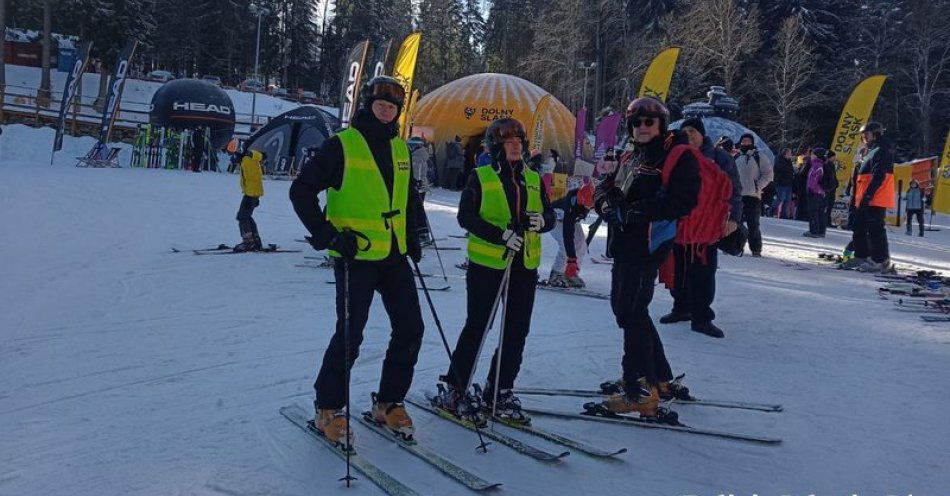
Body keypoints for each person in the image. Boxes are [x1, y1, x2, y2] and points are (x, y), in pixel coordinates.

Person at [288, 76, 425, 445]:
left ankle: (389, 402)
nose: (386, 110)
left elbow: (409, 198)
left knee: (411, 327)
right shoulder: (342, 145)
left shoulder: (400, 149)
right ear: (368, 105)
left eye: (392, 106)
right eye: (380, 104)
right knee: (351, 334)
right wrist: (329, 235)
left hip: (393, 254)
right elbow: (301, 191)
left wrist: (413, 236)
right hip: (356, 255)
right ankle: (328, 408)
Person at [432, 118, 556, 426]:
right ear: (496, 146)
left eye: (519, 140)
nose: (515, 144)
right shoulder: (482, 176)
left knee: (516, 330)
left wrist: (543, 222)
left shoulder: (532, 177)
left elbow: (549, 213)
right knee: (478, 326)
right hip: (488, 265)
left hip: (524, 265)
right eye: (507, 140)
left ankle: (499, 388)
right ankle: (456, 388)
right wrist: (499, 234)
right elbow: (466, 217)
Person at [592, 97, 701, 416]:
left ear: (661, 125)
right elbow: (609, 190)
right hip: (626, 244)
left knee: (630, 311)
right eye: (637, 122)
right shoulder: (633, 155)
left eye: (649, 122)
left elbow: (684, 201)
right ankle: (660, 378)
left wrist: (637, 212)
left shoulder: (678, 155)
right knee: (628, 309)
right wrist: (606, 203)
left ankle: (640, 388)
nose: (642, 127)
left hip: (649, 244)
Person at [659, 117, 740, 338]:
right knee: (677, 269)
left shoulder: (719, 157)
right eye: (685, 130)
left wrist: (734, 218)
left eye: (693, 130)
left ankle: (702, 316)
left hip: (707, 227)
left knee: (703, 272)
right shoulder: (675, 155)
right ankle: (681, 307)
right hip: (680, 225)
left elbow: (734, 189)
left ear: (702, 134)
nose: (689, 134)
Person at [838, 122, 895, 272]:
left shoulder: (882, 150)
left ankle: (881, 261)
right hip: (863, 198)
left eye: (866, 134)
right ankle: (861, 255)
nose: (863, 137)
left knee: (875, 229)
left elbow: (879, 176)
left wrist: (868, 195)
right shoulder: (870, 150)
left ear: (875, 134)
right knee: (859, 227)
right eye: (862, 135)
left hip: (875, 198)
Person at [548, 180, 594, 288]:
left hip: (571, 220)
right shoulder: (570, 205)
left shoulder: (591, 195)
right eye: (586, 206)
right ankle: (556, 274)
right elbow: (567, 235)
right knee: (565, 245)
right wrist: (571, 260)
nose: (588, 209)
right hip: (555, 219)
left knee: (581, 243)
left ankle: (571, 274)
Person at [734, 133, 773, 256]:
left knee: (753, 224)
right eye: (743, 141)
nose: (745, 143)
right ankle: (735, 246)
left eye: (748, 141)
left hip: (753, 196)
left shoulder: (759, 157)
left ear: (752, 143)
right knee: (736, 223)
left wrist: (758, 186)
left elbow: (768, 174)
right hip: (737, 196)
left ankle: (756, 249)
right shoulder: (736, 156)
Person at [234, 150, 265, 251]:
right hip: (252, 193)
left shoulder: (247, 161)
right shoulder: (250, 160)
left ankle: (248, 242)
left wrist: (252, 195)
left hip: (250, 193)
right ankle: (255, 240)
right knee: (246, 216)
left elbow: (252, 178)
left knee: (242, 217)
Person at [804, 147, 827, 238]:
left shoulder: (816, 165)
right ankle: (821, 231)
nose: (811, 156)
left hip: (815, 192)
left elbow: (813, 180)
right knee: (821, 212)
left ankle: (814, 231)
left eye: (813, 154)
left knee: (814, 211)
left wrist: (811, 189)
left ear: (817, 155)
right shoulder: (822, 164)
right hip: (821, 193)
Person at [773, 148, 795, 219]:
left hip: (788, 183)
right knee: (780, 199)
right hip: (781, 183)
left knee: (787, 200)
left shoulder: (789, 161)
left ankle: (784, 214)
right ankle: (773, 212)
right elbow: (781, 170)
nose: (790, 155)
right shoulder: (779, 160)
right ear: (785, 154)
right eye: (789, 154)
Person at [823, 150, 840, 227]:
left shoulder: (832, 165)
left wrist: (836, 183)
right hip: (828, 189)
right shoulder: (826, 164)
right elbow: (828, 177)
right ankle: (825, 221)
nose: (835, 158)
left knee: (830, 205)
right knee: (826, 205)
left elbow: (833, 176)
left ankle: (828, 221)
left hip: (832, 188)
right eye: (834, 156)